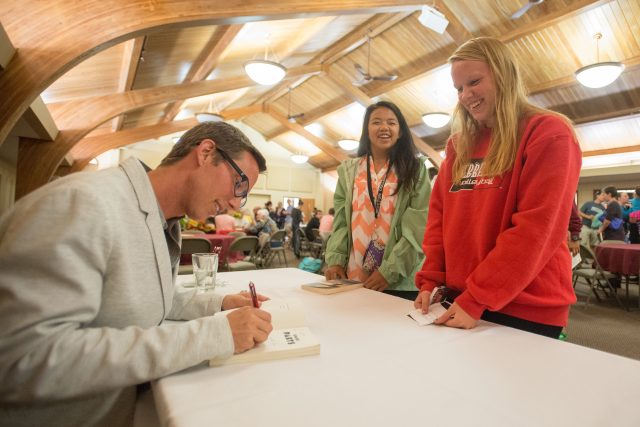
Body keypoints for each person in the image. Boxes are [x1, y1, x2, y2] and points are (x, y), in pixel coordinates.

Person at [0, 122, 274, 426]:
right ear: (206, 153)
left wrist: (219, 303)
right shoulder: (84, 204)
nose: (237, 204)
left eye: (244, 195)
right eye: (239, 185)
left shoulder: (163, 219)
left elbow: (144, 298)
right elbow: (24, 358)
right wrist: (214, 335)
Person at [414, 37, 581, 338]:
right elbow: (439, 221)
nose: (466, 95)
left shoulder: (548, 132)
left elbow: (536, 230)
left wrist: (478, 296)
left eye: (474, 82)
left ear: (503, 74)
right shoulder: (458, 145)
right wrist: (430, 282)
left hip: (526, 306)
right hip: (461, 301)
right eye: (459, 88)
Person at [324, 101, 431, 300]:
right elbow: (340, 223)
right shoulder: (349, 170)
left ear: (400, 132)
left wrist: (389, 272)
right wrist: (336, 260)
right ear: (366, 130)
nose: (384, 127)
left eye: (391, 122)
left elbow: (419, 228)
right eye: (376, 122)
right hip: (354, 275)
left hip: (398, 280)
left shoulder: (415, 169)